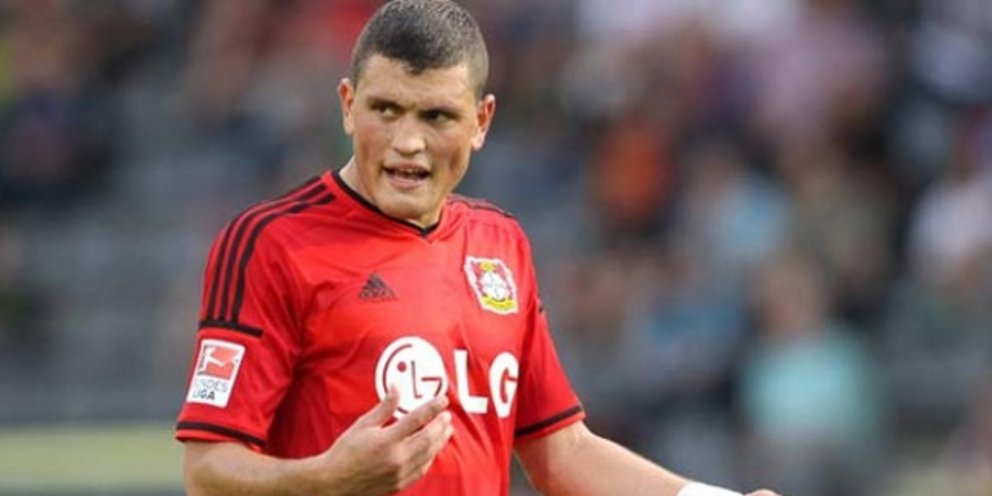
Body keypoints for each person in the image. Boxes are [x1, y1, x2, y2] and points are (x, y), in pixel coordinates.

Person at [175, 1, 781, 495]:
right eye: (386, 109)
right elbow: (208, 472)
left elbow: (562, 453)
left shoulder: (499, 244)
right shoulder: (270, 244)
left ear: (482, 121)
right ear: (348, 106)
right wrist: (328, 481)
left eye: (436, 116)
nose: (408, 141)